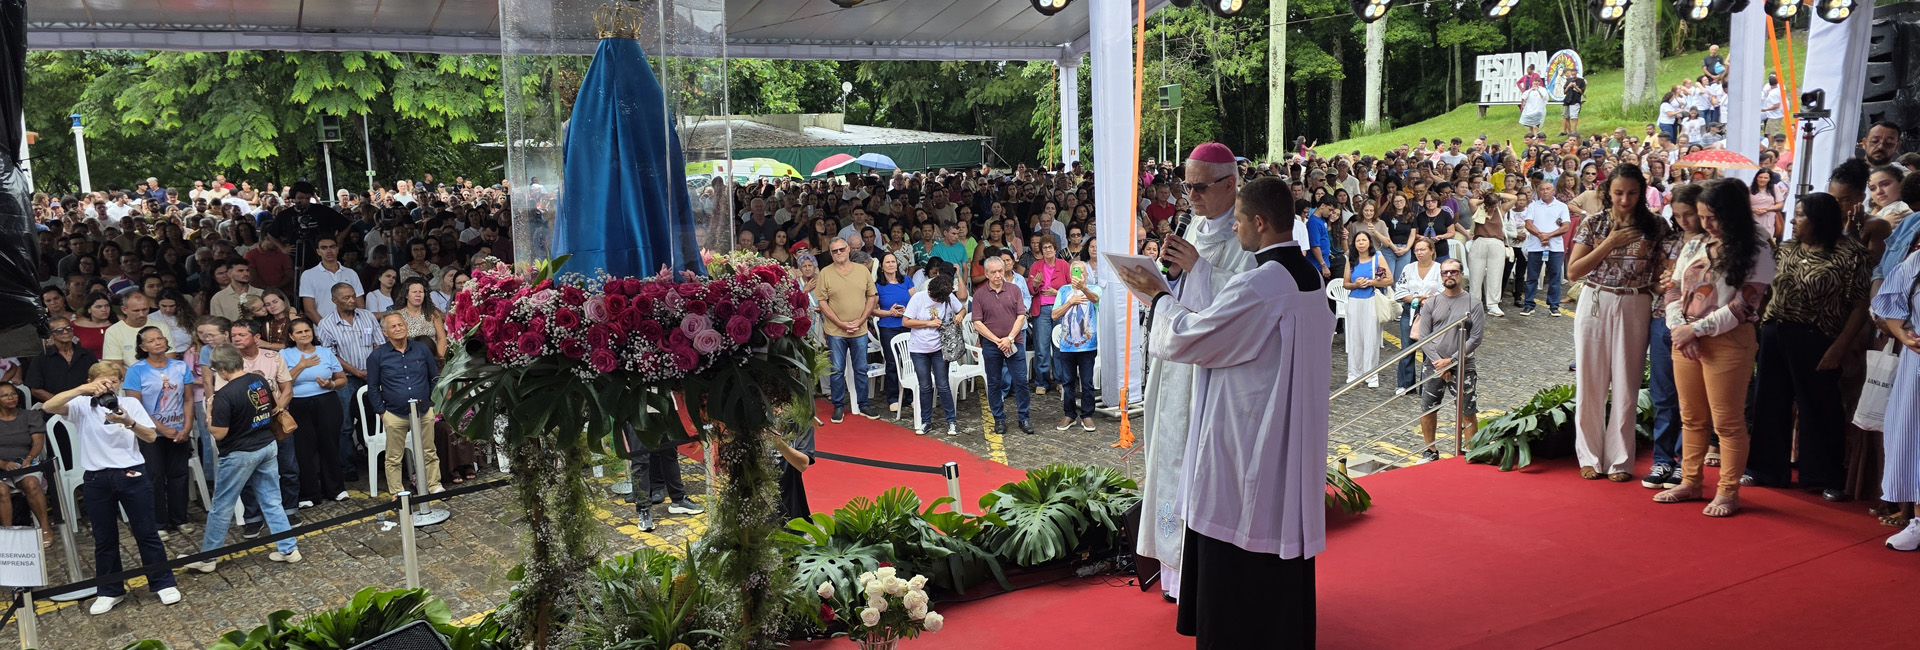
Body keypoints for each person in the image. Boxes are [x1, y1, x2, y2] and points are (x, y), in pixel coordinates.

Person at [1116, 176, 1332, 649]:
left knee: (1239, 527)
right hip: (1291, 436)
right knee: (1279, 535)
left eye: (1237, 220)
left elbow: (1190, 338)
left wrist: (1156, 295)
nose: (1233, 229)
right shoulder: (1311, 278)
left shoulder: (1262, 283)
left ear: (1259, 222)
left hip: (1246, 434)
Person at [1136, 142, 1256, 603]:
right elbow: (1181, 296)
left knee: (1197, 465)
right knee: (1168, 460)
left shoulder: (1245, 237)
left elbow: (1246, 300)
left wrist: (1199, 269)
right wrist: (1155, 283)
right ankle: (1172, 571)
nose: (1190, 196)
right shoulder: (1193, 227)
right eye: (1186, 186)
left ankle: (1203, 572)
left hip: (1210, 375)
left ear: (1230, 184)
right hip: (1175, 368)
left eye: (1200, 187)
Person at [1657, 178, 1774, 517]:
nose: (1706, 224)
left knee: (1727, 422)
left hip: (1728, 341)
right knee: (1691, 416)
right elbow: (1674, 289)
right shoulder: (1695, 245)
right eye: (1702, 216)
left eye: (1713, 217)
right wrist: (1681, 328)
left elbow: (1745, 305)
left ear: (1734, 214)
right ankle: (1691, 481)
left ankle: (1728, 490)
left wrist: (1695, 330)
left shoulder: (1757, 246)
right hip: (1688, 338)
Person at [1744, 194, 1869, 498]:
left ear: (1820, 219)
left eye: (1800, 215)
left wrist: (1839, 347)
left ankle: (1824, 477)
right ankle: (1765, 469)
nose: (1794, 221)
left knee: (1819, 407)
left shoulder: (1852, 254)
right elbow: (1768, 293)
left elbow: (1860, 306)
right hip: (1776, 331)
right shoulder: (1786, 248)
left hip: (1817, 336)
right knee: (1769, 402)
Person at [40, 361, 183, 614]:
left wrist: (128, 421)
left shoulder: (130, 404)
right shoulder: (81, 405)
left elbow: (150, 437)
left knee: (147, 532)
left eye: (114, 381)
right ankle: (109, 590)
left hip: (131, 473)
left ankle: (162, 582)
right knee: (104, 538)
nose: (110, 386)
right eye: (104, 382)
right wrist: (83, 389)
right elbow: (48, 406)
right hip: (96, 477)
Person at [1565, 163, 1668, 482]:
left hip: (1635, 301)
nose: (1625, 199)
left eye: (1632, 193)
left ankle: (1621, 459)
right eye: (1618, 193)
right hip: (1596, 299)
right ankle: (1589, 456)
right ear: (1607, 192)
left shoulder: (1657, 226)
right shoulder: (1594, 223)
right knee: (1590, 381)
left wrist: (1663, 283)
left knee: (1627, 381)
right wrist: (1610, 243)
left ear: (1642, 192)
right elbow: (1573, 271)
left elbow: (1661, 271)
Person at [180, 344, 303, 576]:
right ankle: (288, 548)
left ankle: (208, 557)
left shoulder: (224, 395)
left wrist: (208, 414)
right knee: (271, 500)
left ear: (221, 369)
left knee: (221, 506)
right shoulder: (259, 381)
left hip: (239, 453)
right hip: (266, 445)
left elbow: (218, 433)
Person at [1644, 183, 1705, 489]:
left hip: (1697, 324)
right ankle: (1662, 459)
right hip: (1662, 320)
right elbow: (1652, 283)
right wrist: (1664, 283)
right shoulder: (1668, 242)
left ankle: (1687, 461)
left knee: (1691, 399)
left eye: (1690, 214)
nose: (1684, 221)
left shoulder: (1712, 244)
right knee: (1663, 394)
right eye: (1678, 215)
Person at [122, 326, 194, 537]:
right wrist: (161, 428)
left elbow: (188, 399)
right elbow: (135, 406)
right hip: (151, 433)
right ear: (143, 347)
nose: (157, 342)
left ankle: (180, 518)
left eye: (160, 338)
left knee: (179, 474)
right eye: (151, 340)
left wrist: (187, 426)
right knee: (154, 476)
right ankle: (159, 523)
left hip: (179, 429)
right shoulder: (137, 371)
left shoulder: (180, 367)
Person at [1414, 258, 1484, 462]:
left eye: (1453, 272)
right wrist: (1439, 363)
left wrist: (1451, 361)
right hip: (1433, 365)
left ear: (1461, 274)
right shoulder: (1432, 303)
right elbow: (1424, 337)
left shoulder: (1474, 303)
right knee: (1428, 408)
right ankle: (1430, 450)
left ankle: (1470, 452)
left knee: (1467, 411)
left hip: (1463, 366)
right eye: (1445, 273)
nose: (1449, 276)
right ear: (1441, 276)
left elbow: (1476, 338)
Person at [366, 312, 442, 496]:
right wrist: (382, 412)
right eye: (393, 326)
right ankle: (397, 492)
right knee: (393, 457)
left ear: (406, 326)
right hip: (394, 413)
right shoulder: (377, 356)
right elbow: (373, 387)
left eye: (401, 325)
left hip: (424, 410)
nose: (398, 329)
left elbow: (434, 378)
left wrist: (433, 403)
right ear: (385, 332)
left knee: (429, 451)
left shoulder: (421, 350)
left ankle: (434, 486)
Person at [1875, 242, 1920, 550]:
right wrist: (1905, 334)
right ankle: (1918, 521)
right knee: (1914, 440)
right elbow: (1890, 306)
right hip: (1916, 366)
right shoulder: (1915, 262)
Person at [317, 283, 379, 489]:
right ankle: (348, 467)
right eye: (346, 298)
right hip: (346, 377)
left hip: (372, 375)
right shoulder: (326, 324)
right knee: (344, 423)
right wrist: (356, 372)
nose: (352, 300)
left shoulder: (367, 316)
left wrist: (373, 370)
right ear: (334, 300)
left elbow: (378, 344)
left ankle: (376, 459)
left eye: (353, 296)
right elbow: (330, 355)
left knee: (372, 418)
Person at [282, 319, 347, 507]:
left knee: (330, 444)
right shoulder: (285, 354)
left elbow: (342, 379)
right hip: (298, 404)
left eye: (307, 330)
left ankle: (335, 489)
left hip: (327, 401)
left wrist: (331, 385)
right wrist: (302, 365)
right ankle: (308, 494)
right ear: (291, 336)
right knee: (304, 448)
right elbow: (283, 381)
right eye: (299, 332)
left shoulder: (326, 352)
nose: (304, 334)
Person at [815, 237, 879, 423]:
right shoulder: (825, 273)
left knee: (860, 368)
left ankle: (864, 403)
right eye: (834, 251)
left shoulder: (861, 270)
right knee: (836, 370)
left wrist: (861, 320)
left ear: (849, 249)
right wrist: (841, 323)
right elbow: (822, 303)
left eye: (841, 249)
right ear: (830, 254)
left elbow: (871, 297)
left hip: (860, 329)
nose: (838, 253)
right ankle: (838, 406)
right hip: (836, 331)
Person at [973, 257, 1032, 435]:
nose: (998, 275)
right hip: (992, 346)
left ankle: (1024, 417)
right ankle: (999, 419)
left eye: (1000, 270)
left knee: (1021, 381)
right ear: (986, 274)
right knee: (994, 382)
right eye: (993, 272)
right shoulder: (979, 294)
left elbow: (1021, 316)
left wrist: (1009, 338)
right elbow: (977, 323)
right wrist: (997, 340)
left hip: (1014, 342)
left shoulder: (1014, 290)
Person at [617, 422, 704, 533]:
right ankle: (643, 509)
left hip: (662, 411)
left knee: (669, 452)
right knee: (640, 459)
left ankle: (678, 499)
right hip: (635, 412)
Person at [0, 387, 54, 546]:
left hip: (24, 462)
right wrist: (3, 464)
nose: (11, 398)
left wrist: (29, 458)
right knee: (1, 491)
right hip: (1, 466)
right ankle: (8, 536)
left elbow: (38, 442)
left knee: (32, 484)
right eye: (5, 396)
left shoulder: (30, 416)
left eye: (13, 394)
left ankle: (45, 528)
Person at [1051, 261, 1100, 432]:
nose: (1078, 275)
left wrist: (1083, 288)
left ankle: (1087, 415)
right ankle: (1069, 414)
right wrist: (1070, 302)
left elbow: (1095, 299)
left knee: (1087, 382)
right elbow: (1054, 314)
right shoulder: (1063, 291)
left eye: (1081, 272)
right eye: (1075, 272)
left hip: (1087, 345)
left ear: (1086, 275)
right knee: (1068, 382)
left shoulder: (1094, 288)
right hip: (1066, 346)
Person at [1343, 231, 1392, 388]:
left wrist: (1371, 282)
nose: (1361, 243)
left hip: (1371, 299)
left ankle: (1371, 375)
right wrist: (1356, 285)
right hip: (1354, 301)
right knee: (1354, 337)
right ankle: (1354, 373)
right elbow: (1346, 283)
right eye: (1358, 240)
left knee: (1371, 337)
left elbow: (1389, 279)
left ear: (1369, 242)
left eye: (1364, 240)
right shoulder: (1351, 259)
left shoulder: (1378, 257)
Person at [1395, 239, 1442, 392]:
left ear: (1431, 250)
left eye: (1422, 249)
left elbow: (1444, 292)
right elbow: (1400, 291)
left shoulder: (1440, 269)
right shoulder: (1408, 268)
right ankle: (1404, 384)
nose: (1419, 253)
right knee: (1407, 348)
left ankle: (1427, 385)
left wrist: (1427, 299)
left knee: (1430, 350)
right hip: (1410, 311)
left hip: (1433, 313)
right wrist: (1417, 299)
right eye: (1417, 250)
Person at [1521, 173, 1571, 316]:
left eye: (1548, 189)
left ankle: (1554, 305)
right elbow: (1528, 224)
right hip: (1536, 246)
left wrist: (1548, 235)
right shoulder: (1533, 206)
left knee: (1555, 276)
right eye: (1542, 189)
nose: (1545, 191)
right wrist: (1540, 235)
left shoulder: (1562, 206)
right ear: (1538, 191)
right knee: (1532, 276)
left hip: (1555, 246)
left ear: (1553, 190)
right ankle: (1529, 304)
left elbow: (1566, 226)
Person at [871, 253, 914, 415]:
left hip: (908, 325)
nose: (891, 265)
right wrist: (890, 313)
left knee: (910, 361)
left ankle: (910, 397)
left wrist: (906, 311)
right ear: (882, 266)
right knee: (892, 362)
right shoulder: (877, 285)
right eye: (887, 262)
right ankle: (894, 398)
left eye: (893, 262)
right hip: (888, 327)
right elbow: (873, 310)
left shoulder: (907, 281)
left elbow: (915, 303)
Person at [1026, 238, 1070, 394]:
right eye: (1044, 248)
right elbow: (1030, 290)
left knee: (1060, 346)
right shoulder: (1035, 266)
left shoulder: (1064, 265)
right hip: (1042, 309)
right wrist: (1036, 285)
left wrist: (1057, 293)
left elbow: (1072, 289)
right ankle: (1042, 382)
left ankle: (1061, 380)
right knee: (1042, 347)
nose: (1047, 250)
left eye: (1050, 247)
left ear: (1056, 248)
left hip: (1060, 309)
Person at [26, 316, 98, 404]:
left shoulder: (87, 354)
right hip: (56, 408)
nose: (65, 332)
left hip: (86, 405)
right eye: (59, 330)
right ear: (51, 335)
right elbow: (36, 390)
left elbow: (98, 380)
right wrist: (61, 402)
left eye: (68, 328)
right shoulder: (41, 357)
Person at [297, 236, 363, 322]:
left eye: (332, 247)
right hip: (323, 330)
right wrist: (326, 328)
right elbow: (309, 310)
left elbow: (360, 304)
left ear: (337, 249)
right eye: (324, 248)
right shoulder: (308, 275)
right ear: (318, 251)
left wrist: (355, 324)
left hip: (352, 328)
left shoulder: (351, 273)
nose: (329, 251)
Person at [100, 292, 176, 364]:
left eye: (145, 309)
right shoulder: (113, 331)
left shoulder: (161, 327)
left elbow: (170, 356)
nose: (141, 314)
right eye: (136, 311)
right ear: (124, 310)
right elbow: (114, 364)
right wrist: (135, 376)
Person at [1560, 68, 1588, 137]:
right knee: (1566, 117)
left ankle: (1574, 132)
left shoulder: (1581, 81)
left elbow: (1581, 92)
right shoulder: (1568, 80)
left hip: (1575, 100)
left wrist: (1576, 87)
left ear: (1576, 74)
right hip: (1567, 100)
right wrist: (1569, 86)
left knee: (1574, 117)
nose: (1573, 76)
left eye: (1574, 74)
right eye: (1572, 75)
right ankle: (1570, 133)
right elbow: (1564, 92)